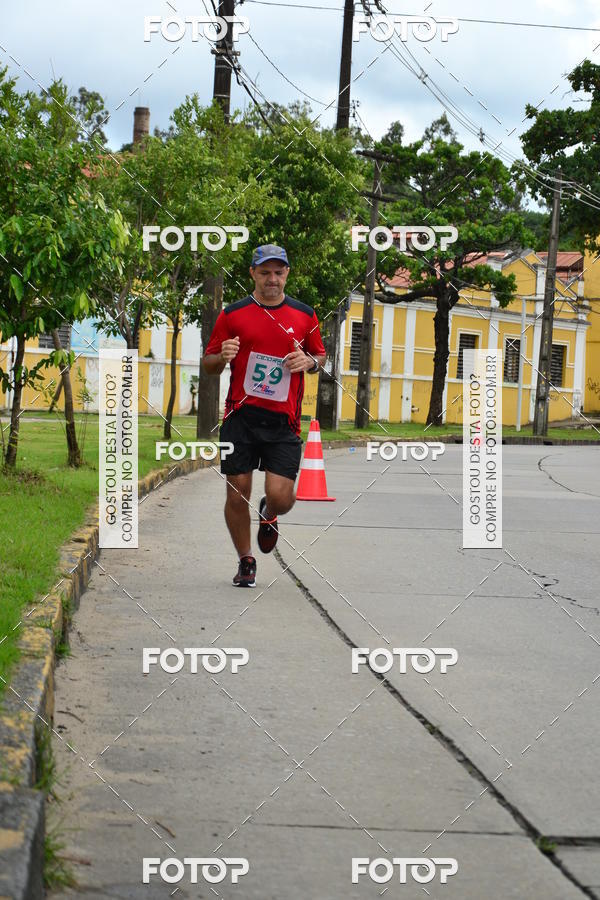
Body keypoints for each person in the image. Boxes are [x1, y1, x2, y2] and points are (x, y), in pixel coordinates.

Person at [202, 244, 327, 587]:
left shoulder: (305, 315)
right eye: (265, 272)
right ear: (253, 274)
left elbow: (320, 356)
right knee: (235, 492)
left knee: (281, 497)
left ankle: (269, 515)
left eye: (279, 272)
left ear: (287, 273)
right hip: (240, 417)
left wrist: (310, 362)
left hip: (283, 422)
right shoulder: (233, 314)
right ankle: (246, 561)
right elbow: (209, 364)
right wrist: (222, 355)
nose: (272, 279)